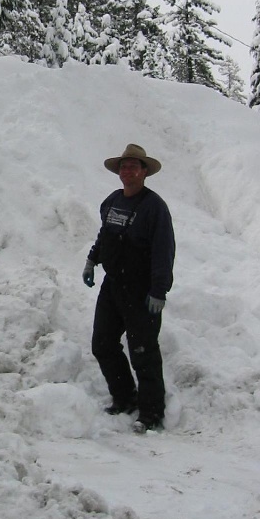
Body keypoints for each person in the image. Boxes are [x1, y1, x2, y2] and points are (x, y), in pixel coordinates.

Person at [82, 143, 175, 434]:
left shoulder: (154, 208)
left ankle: (151, 413)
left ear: (144, 172)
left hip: (142, 290)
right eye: (124, 166)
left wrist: (159, 290)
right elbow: (106, 234)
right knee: (103, 344)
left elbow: (164, 250)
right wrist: (92, 259)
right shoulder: (112, 202)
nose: (127, 170)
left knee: (143, 351)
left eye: (133, 166)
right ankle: (124, 397)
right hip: (113, 286)